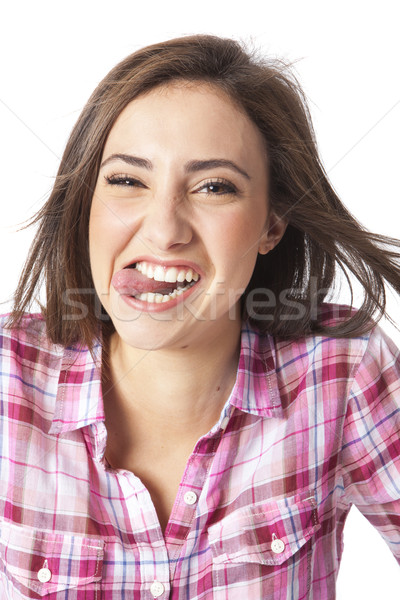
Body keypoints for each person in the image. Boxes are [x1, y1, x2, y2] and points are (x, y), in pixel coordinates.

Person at [1, 34, 399, 600]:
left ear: (271, 224)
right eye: (127, 180)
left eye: (214, 187)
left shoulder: (342, 370)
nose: (164, 229)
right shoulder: (6, 381)